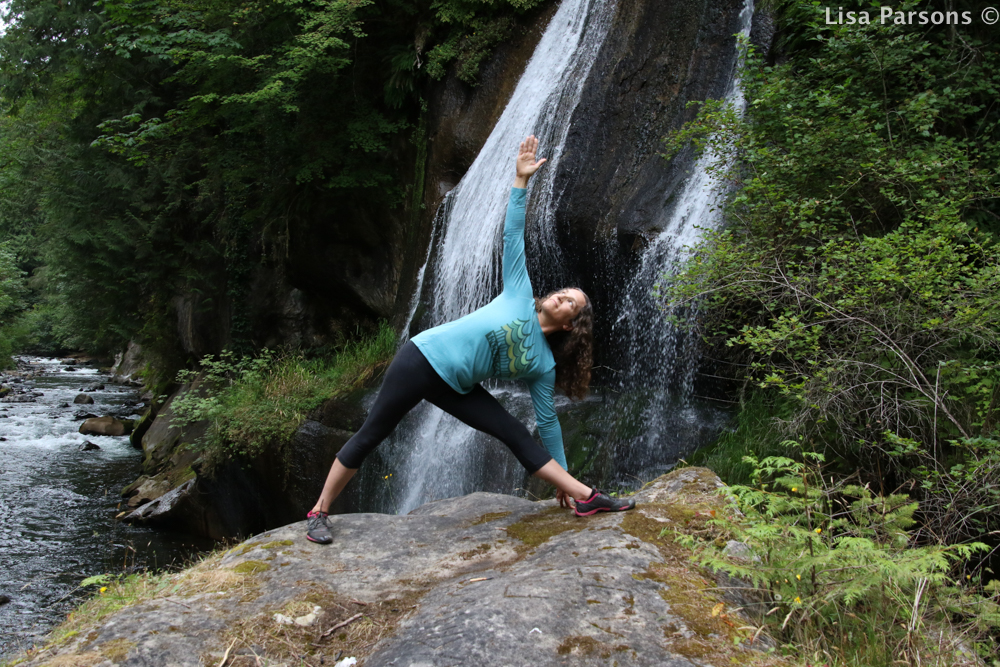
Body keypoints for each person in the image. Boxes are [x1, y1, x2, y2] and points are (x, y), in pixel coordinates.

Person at [305, 135, 634, 544]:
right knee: (373, 432)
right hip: (422, 358)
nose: (563, 295)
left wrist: (562, 479)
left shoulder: (543, 365)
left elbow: (547, 423)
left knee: (515, 431)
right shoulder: (518, 291)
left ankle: (585, 496)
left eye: (573, 302)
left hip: (456, 385)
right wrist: (520, 181)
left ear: (571, 324)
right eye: (563, 292)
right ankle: (319, 512)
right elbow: (512, 236)